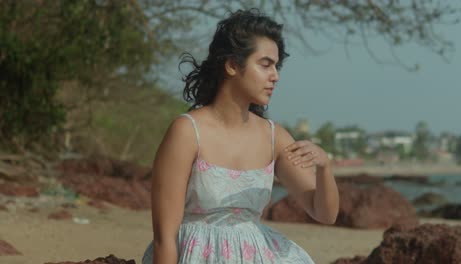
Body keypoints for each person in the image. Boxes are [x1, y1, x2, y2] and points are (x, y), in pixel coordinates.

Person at [142, 9, 339, 264]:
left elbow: (325, 213)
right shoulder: (188, 132)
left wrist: (324, 167)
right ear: (232, 65)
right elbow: (164, 238)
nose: (275, 76)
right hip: (194, 255)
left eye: (276, 66)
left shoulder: (274, 137)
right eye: (265, 64)